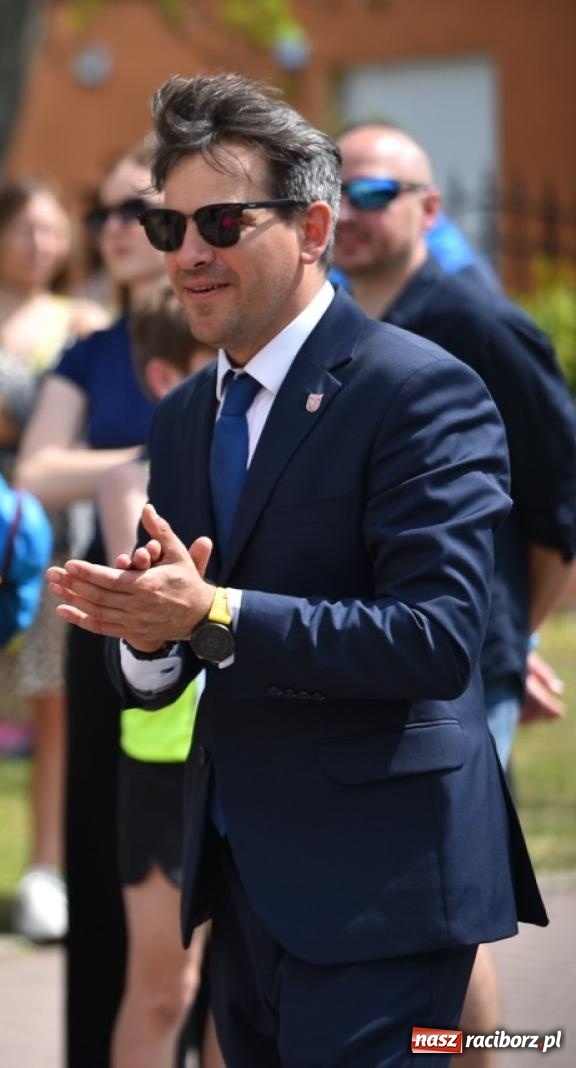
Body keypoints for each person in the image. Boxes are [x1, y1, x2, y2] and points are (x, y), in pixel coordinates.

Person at [48, 73, 546, 1065]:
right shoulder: (187, 413)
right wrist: (148, 638)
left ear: (312, 229)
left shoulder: (420, 390)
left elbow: (438, 637)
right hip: (241, 881)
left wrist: (212, 610)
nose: (188, 253)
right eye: (167, 226)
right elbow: (185, 640)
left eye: (222, 222)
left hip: (384, 887)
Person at [334, 121, 576, 1068]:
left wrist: (519, 637)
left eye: (377, 193)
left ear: (430, 209)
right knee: (416, 908)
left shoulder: (481, 323)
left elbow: (559, 510)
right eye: (336, 189)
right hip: (373, 657)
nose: (351, 210)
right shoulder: (336, 320)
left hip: (465, 674)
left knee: (445, 914)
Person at [11, 142, 165, 1063]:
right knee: (108, 869)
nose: (113, 231)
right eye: (102, 213)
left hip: (224, 627)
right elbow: (35, 469)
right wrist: (140, 469)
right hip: (108, 628)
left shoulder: (238, 336)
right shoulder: (94, 349)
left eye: (133, 211)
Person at [0, 179, 109, 942]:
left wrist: (26, 425)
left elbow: (100, 409)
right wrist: (54, 417)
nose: (38, 244)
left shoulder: (87, 315)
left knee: (56, 699)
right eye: (23, 230)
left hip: (59, 531)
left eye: (50, 230)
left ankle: (46, 872)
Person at [94, 284, 219, 1067]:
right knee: (165, 987)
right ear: (167, 380)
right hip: (164, 758)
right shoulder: (130, 482)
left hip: (261, 749)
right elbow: (142, 609)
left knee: (246, 991)